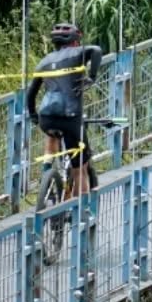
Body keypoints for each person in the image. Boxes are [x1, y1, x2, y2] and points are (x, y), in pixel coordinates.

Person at [26, 23, 103, 199]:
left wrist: (33, 115)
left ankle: (47, 169)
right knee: (80, 169)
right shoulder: (77, 53)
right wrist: (91, 77)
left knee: (51, 130)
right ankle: (78, 212)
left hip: (46, 117)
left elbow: (31, 94)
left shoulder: (43, 62)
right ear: (75, 41)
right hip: (70, 117)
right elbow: (96, 50)